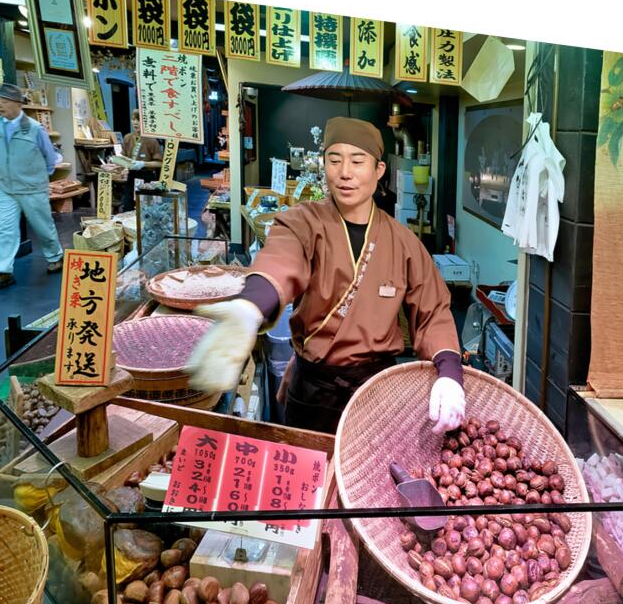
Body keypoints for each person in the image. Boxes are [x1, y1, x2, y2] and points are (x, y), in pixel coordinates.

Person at [187, 116, 465, 435]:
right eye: (334, 160)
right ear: (325, 166)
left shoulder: (404, 243)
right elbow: (282, 258)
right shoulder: (303, 221)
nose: (345, 172)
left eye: (358, 161)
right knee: (309, 479)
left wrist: (449, 373)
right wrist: (250, 306)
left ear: (379, 171)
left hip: (375, 393)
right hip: (312, 390)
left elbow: (433, 313)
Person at [0, 83, 63, 292]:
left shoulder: (35, 128)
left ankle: (55, 256)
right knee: (4, 229)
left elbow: (50, 157)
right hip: (4, 187)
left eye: (5, 101)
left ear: (18, 104)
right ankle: (3, 272)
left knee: (43, 226)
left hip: (32, 188)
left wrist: (38, 177)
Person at [121, 109, 163, 212]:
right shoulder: (127, 138)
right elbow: (123, 157)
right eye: (133, 119)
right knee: (128, 208)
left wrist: (143, 163)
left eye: (139, 119)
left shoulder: (152, 140)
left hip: (147, 178)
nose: (135, 122)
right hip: (131, 178)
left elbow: (160, 163)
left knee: (147, 210)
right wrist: (120, 165)